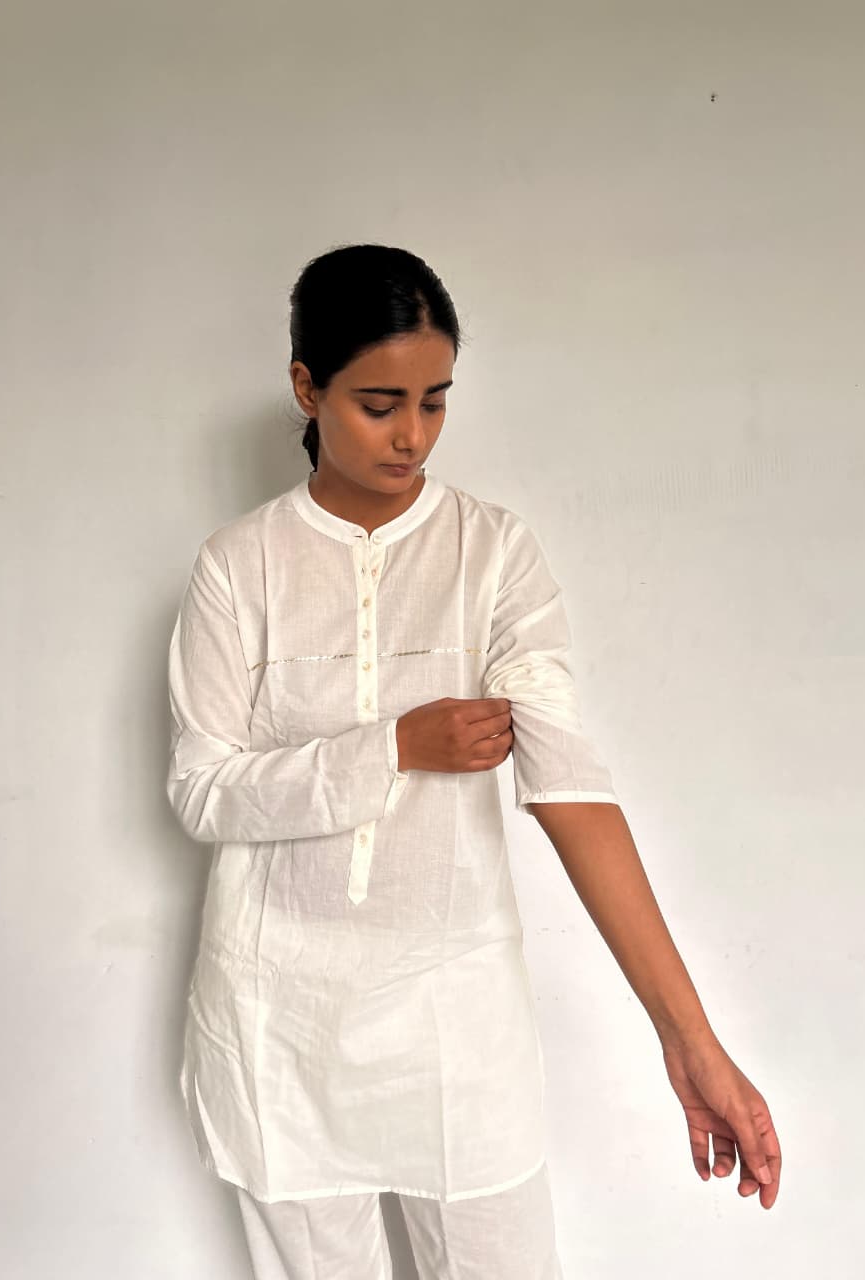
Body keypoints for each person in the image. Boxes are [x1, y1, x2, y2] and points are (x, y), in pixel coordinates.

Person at [165, 243, 781, 1279]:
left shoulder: (492, 555)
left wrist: (691, 1039)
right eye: (379, 404)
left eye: (435, 400)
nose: (413, 434)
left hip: (455, 1024)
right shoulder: (239, 568)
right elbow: (202, 789)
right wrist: (392, 747)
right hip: (278, 1027)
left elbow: (570, 786)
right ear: (307, 388)